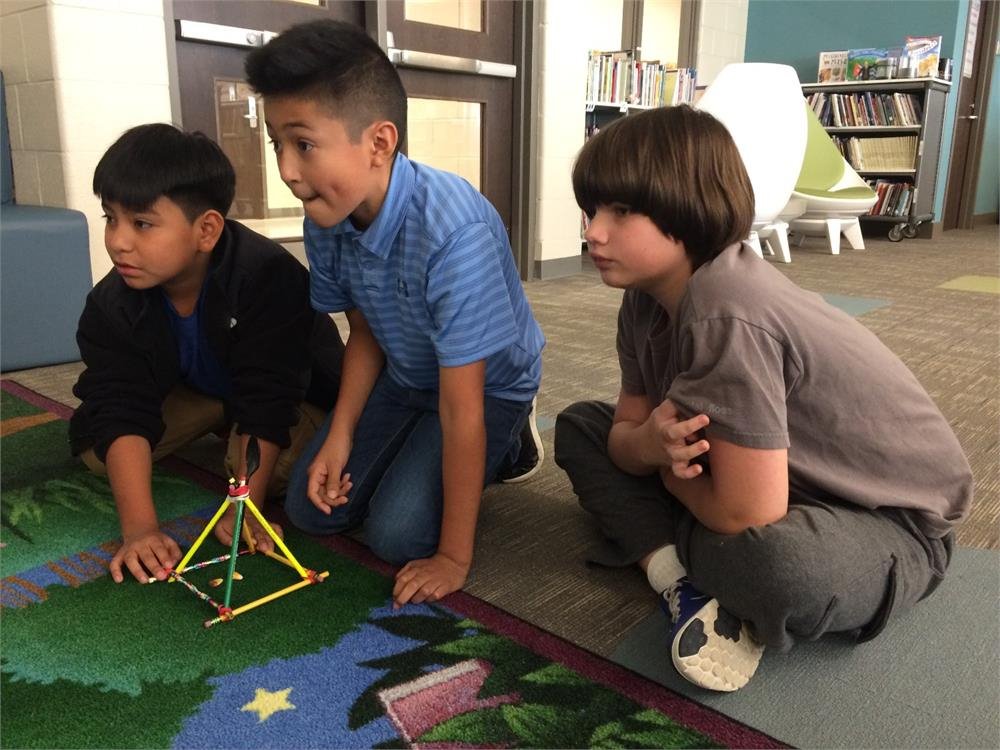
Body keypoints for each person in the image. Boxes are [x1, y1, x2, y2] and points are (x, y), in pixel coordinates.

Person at [554, 105, 972, 692]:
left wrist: (671, 480)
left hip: (887, 520)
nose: (593, 231)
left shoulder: (729, 308)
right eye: (591, 209)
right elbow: (625, 436)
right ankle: (680, 577)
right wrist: (649, 443)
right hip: (752, 483)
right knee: (578, 425)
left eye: (621, 211)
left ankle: (666, 547)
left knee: (780, 569)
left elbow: (748, 514)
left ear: (689, 205)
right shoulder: (643, 300)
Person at [243, 20, 546, 608]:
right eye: (275, 143)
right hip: (407, 377)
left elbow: (461, 410)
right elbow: (364, 333)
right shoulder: (328, 213)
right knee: (312, 509)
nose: (286, 170)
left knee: (398, 535)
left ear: (379, 143)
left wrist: (454, 558)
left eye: (303, 144)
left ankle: (512, 444)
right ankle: (410, 453)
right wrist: (341, 434)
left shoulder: (454, 232)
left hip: (483, 391)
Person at [70, 123, 344, 585]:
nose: (118, 240)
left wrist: (247, 511)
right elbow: (121, 403)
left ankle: (235, 433)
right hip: (204, 391)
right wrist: (140, 530)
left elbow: (270, 393)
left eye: (142, 223)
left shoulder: (268, 275)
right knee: (100, 452)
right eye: (110, 218)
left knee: (276, 476)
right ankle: (221, 418)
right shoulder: (110, 304)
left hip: (293, 394)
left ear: (207, 229)